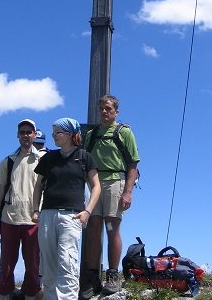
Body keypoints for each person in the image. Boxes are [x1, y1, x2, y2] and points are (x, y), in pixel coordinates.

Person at [32, 118, 101, 300]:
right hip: (47, 214)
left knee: (68, 263)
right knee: (48, 264)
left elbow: (96, 187)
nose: (54, 136)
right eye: (53, 132)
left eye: (58, 133)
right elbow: (39, 186)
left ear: (70, 134)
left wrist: (87, 211)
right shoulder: (49, 158)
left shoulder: (85, 157)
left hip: (72, 216)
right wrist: (35, 210)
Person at [80, 95, 140, 299]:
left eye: (108, 109)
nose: (104, 112)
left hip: (116, 181)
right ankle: (92, 278)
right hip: (94, 183)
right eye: (101, 109)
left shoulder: (124, 132)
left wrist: (128, 192)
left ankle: (112, 276)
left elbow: (133, 163)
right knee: (93, 229)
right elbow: (85, 160)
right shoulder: (92, 134)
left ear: (116, 112)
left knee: (111, 228)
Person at [0, 119, 41, 300]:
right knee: (6, 263)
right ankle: (4, 294)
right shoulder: (8, 161)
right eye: (22, 132)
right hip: (9, 218)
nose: (25, 135)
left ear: (35, 135)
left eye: (29, 132)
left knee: (33, 263)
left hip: (33, 220)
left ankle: (30, 294)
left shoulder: (42, 160)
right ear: (17, 135)